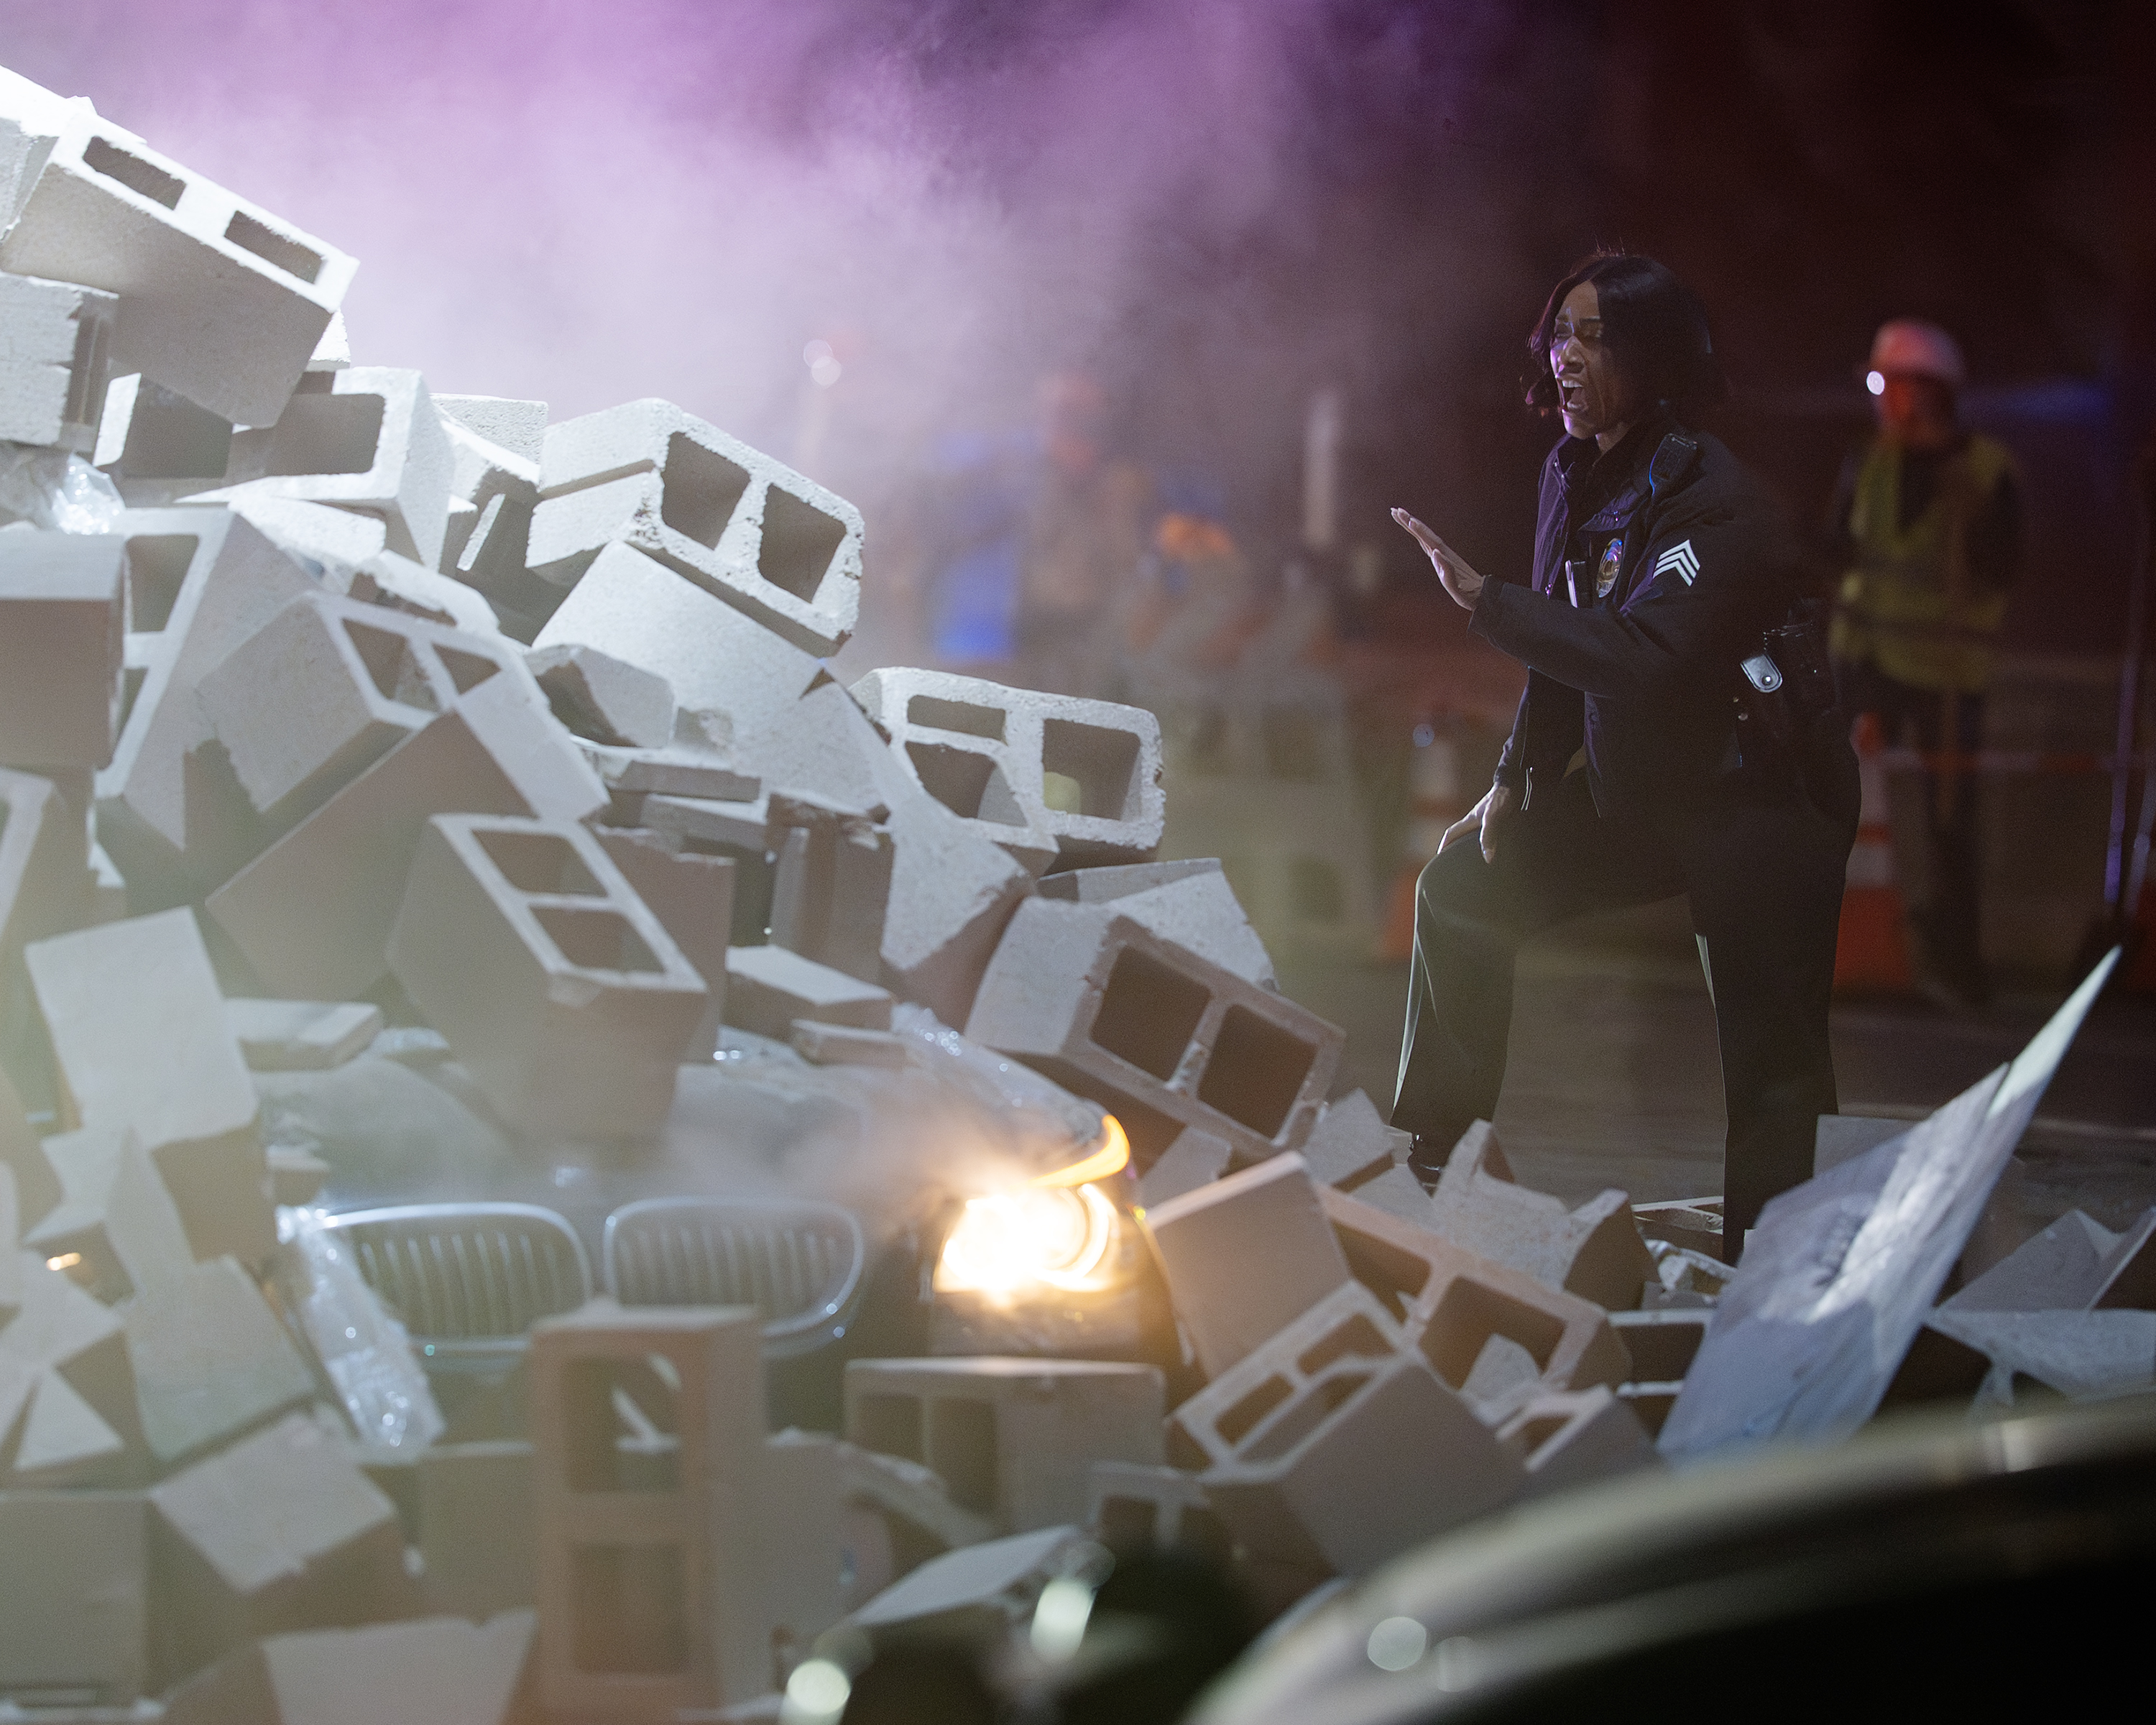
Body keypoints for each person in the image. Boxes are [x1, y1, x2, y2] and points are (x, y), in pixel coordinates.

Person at [1388, 252, 1857, 1247]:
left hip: (1762, 802)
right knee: (1463, 890)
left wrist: (1484, 601)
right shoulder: (1570, 473)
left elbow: (1640, 654)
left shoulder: (1717, 497)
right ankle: (1431, 1169)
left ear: (1656, 358)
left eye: (1595, 338)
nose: (1567, 355)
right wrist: (1515, 778)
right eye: (1561, 333)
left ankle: (1770, 1264)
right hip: (1652, 789)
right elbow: (1566, 644)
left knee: (1771, 1060)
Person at [1828, 319, 2022, 1011]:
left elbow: (2002, 569)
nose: (1879, 397)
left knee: (1950, 824)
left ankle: (1958, 966)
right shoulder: (1869, 463)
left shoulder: (1986, 471)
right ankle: (1830, 948)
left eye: (1887, 382)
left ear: (1926, 390)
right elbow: (1836, 549)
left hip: (1946, 672)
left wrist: (1978, 519)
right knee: (1827, 799)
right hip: (1864, 661)